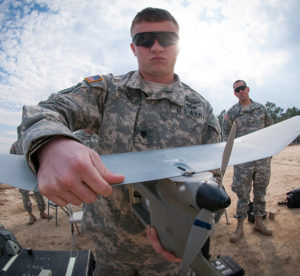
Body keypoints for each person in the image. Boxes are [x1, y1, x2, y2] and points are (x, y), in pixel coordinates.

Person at [17, 7, 221, 275]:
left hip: (171, 249)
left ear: (179, 46)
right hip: (111, 249)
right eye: (145, 40)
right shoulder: (107, 90)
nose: (156, 46)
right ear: (134, 48)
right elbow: (46, 110)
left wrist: (193, 232)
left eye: (167, 39)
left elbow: (214, 176)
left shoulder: (200, 108)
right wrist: (53, 143)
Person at [222, 80, 274, 243]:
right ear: (235, 93)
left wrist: (269, 152)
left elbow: (270, 129)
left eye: (242, 88)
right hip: (243, 161)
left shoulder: (261, 109)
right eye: (237, 89)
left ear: (248, 89)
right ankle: (240, 227)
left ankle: (258, 222)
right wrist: (235, 153)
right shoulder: (232, 113)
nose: (240, 91)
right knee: (242, 194)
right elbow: (225, 134)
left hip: (261, 159)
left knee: (260, 192)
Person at [10, 142, 52, 225]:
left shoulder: (30, 142)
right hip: (21, 176)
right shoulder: (15, 146)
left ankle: (42, 212)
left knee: (38, 192)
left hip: (33, 173)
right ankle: (31, 215)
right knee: (25, 196)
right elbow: (12, 160)